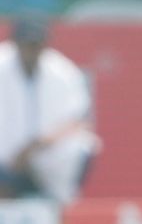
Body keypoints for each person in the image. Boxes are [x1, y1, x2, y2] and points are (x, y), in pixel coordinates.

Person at [0, 19, 100, 203]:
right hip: (6, 154)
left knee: (78, 146)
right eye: (26, 44)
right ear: (15, 43)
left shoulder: (63, 72)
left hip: (47, 155)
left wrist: (37, 145)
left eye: (36, 44)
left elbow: (78, 120)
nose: (31, 50)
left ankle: (60, 211)